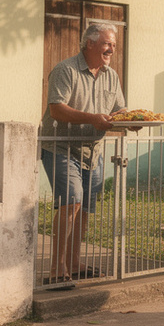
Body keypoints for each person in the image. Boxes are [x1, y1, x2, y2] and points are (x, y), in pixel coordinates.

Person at [41, 21, 127, 288]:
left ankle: (74, 263)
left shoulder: (111, 75)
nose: (111, 49)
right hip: (62, 147)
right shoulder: (65, 70)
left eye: (113, 44)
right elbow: (56, 109)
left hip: (94, 151)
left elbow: (119, 110)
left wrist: (131, 120)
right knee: (71, 203)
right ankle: (57, 269)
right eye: (107, 43)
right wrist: (92, 118)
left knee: (85, 208)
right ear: (89, 43)